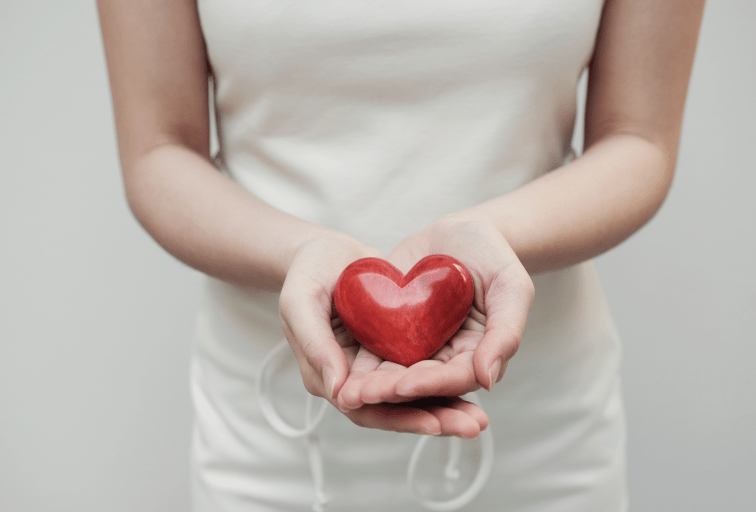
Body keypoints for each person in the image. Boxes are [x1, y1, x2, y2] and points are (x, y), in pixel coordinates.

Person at [97, 0, 704, 510]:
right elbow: (158, 150)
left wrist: (488, 235)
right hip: (271, 441)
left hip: (543, 430)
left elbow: (639, 137)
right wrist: (300, 254)